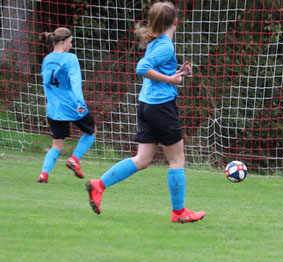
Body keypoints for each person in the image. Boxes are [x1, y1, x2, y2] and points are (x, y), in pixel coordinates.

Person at [85, 2, 205, 223]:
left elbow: (155, 71)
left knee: (142, 159)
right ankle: (179, 213)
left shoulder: (155, 42)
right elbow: (142, 68)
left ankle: (98, 185)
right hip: (161, 107)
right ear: (176, 22)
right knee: (177, 160)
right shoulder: (166, 45)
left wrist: (178, 73)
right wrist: (171, 79)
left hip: (147, 105)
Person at [37, 27, 97, 183]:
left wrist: (51, 104)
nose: (71, 45)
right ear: (63, 42)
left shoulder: (47, 59)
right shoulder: (70, 59)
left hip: (54, 109)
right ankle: (74, 159)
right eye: (70, 42)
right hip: (72, 106)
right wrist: (80, 102)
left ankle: (44, 173)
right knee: (92, 131)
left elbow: (46, 84)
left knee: (57, 144)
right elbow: (76, 83)